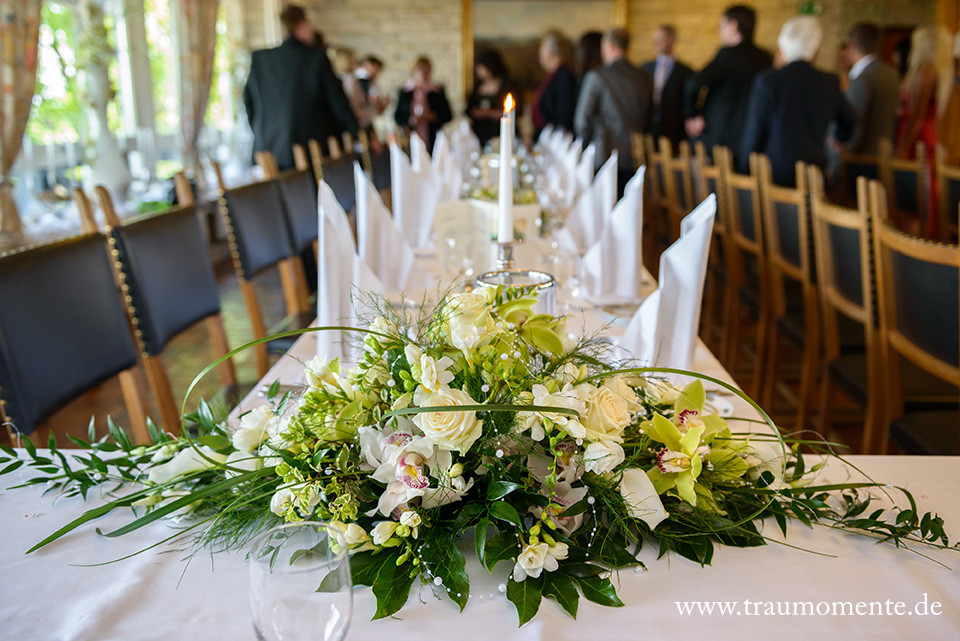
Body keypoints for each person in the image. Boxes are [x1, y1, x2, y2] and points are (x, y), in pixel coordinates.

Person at [739, 16, 855, 187]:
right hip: (813, 173)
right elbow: (850, 121)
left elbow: (754, 131)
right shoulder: (829, 81)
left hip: (774, 174)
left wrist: (743, 171)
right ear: (816, 50)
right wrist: (839, 137)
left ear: (783, 48)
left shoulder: (767, 81)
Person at [243, 5, 357, 170]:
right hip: (310, 151)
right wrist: (356, 134)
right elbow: (337, 102)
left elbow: (248, 103)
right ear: (302, 25)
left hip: (269, 150)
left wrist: (262, 134)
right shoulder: (315, 59)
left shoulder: (261, 60)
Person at [684, 4, 773, 165]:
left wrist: (693, 114)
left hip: (719, 138)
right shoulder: (766, 58)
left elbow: (693, 82)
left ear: (734, 26)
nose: (719, 30)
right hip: (754, 140)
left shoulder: (728, 55)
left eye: (722, 25)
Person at [574, 28, 653, 197]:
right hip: (636, 155)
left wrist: (589, 145)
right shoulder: (644, 77)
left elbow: (582, 121)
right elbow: (649, 116)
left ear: (608, 45)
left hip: (604, 153)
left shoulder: (597, 77)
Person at [896, 24, 954, 235]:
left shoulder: (925, 71)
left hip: (916, 139)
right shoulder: (934, 71)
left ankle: (917, 238)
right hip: (924, 136)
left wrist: (902, 147)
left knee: (917, 194)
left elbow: (916, 117)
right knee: (922, 190)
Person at [844, 22, 900, 155]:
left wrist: (843, 156)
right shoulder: (891, 74)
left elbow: (855, 123)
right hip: (884, 153)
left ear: (852, 45)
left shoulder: (862, 79)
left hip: (861, 157)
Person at [641, 24, 694, 150]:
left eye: (660, 38)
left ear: (672, 40)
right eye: (655, 39)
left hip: (674, 131)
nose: (656, 42)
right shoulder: (645, 68)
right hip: (647, 128)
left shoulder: (686, 72)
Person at [395, 56, 452, 150]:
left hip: (432, 138)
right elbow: (398, 117)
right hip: (411, 137)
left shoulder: (436, 91)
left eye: (427, 69)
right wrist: (411, 120)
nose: (424, 72)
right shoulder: (405, 91)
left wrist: (433, 116)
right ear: (414, 70)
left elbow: (447, 115)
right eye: (421, 69)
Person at [466, 49, 520, 148]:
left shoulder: (507, 86)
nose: (478, 70)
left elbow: (514, 111)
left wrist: (487, 113)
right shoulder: (478, 86)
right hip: (480, 135)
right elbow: (469, 109)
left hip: (500, 133)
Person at [532, 30, 576, 140]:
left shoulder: (564, 76)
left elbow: (563, 115)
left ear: (553, 51)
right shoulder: (551, 75)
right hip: (545, 137)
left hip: (554, 140)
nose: (539, 51)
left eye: (543, 47)